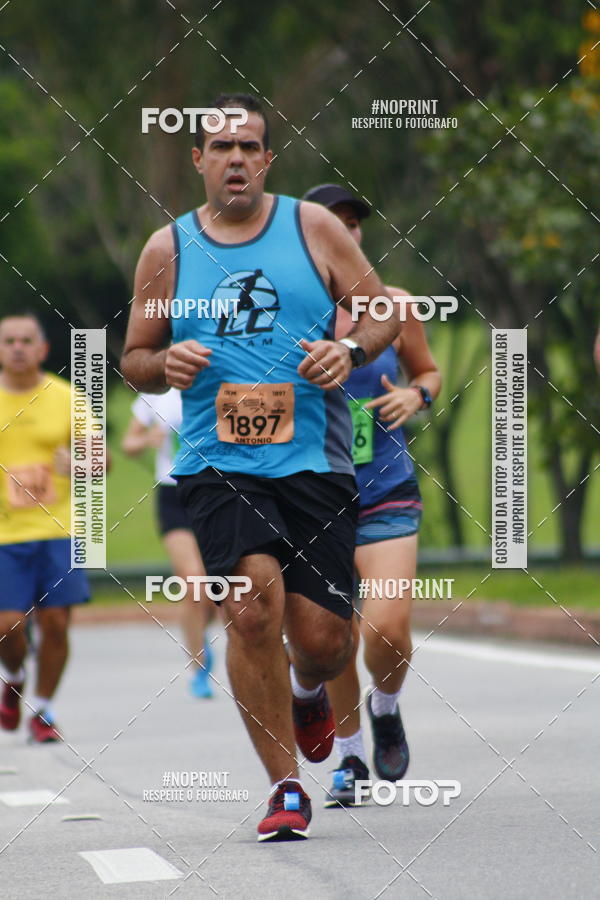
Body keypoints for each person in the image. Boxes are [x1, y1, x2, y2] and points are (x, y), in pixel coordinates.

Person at [120, 92, 402, 841]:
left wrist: (349, 349)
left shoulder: (312, 228)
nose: (236, 159)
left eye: (250, 147)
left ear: (268, 159)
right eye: (222, 148)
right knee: (249, 608)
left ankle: (311, 689)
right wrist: (163, 363)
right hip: (218, 463)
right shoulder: (167, 249)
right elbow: (134, 358)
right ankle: (284, 788)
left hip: (316, 460)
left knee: (324, 641)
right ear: (199, 160)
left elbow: (382, 312)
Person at [303, 184, 441, 807]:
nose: (347, 232)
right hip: (311, 494)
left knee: (386, 627)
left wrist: (419, 396)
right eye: (333, 222)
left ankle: (385, 706)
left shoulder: (395, 305)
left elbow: (428, 371)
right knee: (333, 638)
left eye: (354, 223)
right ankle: (351, 757)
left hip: (385, 486)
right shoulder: (283, 310)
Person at [0, 314, 92, 742]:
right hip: (4, 534)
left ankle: (44, 710)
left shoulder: (66, 398)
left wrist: (80, 464)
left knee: (56, 623)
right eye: (9, 341)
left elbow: (102, 460)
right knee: (8, 627)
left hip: (59, 529)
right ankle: (14, 675)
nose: (17, 347)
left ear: (42, 349)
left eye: (26, 340)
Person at [121, 387, 216, 697]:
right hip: (173, 495)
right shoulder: (156, 393)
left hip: (216, 493)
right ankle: (198, 665)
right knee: (193, 583)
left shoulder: (221, 380)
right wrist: (148, 440)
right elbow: (128, 443)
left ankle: (199, 634)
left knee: (215, 591)